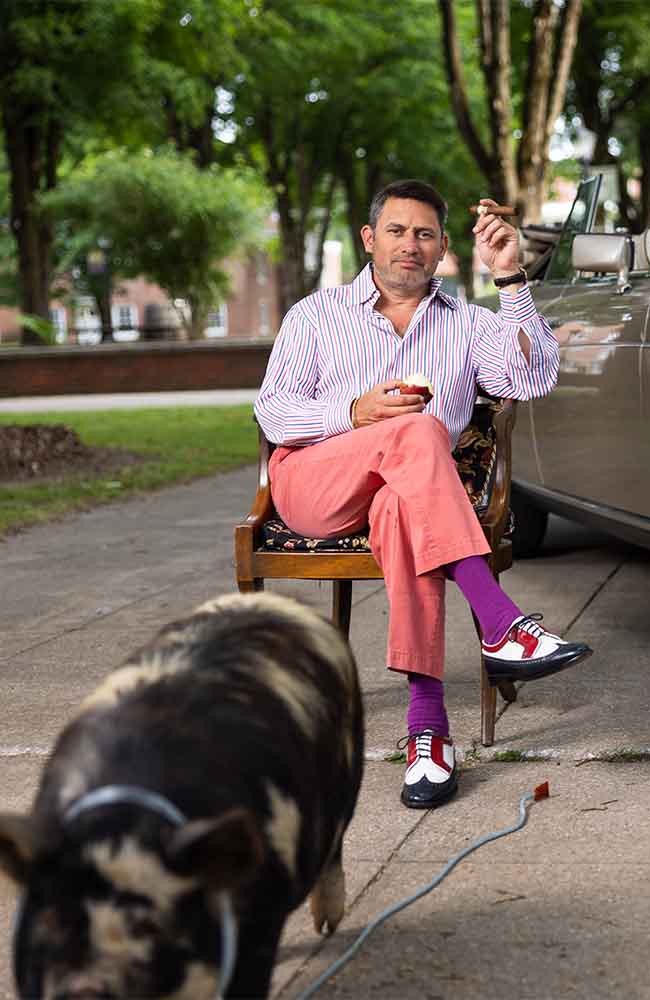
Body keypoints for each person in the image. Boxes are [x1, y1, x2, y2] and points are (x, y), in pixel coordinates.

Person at [254, 179, 591, 809]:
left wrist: (511, 280)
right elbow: (273, 413)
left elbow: (535, 377)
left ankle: (428, 732)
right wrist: (355, 412)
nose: (411, 244)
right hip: (315, 482)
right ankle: (499, 620)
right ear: (369, 239)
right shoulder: (314, 315)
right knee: (416, 428)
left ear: (443, 251)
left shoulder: (468, 325)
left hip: (409, 495)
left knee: (405, 510)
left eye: (425, 234)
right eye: (397, 231)